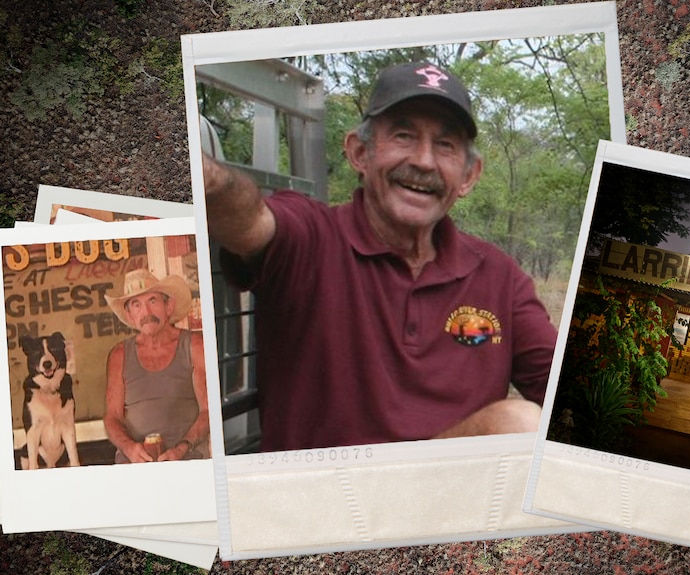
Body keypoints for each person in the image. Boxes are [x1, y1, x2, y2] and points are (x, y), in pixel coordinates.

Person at [202, 61, 557, 451]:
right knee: (519, 423)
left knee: (522, 424)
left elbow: (577, 398)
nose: (423, 161)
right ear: (359, 153)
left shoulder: (499, 277)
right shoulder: (310, 237)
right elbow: (248, 219)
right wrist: (210, 180)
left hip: (456, 505)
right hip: (318, 504)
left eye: (445, 145)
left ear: (469, 176)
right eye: (404, 136)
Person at [103, 269, 210, 463]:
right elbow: (112, 418)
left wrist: (182, 448)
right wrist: (130, 448)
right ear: (129, 315)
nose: (146, 313)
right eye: (136, 305)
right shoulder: (119, 355)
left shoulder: (195, 345)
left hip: (187, 456)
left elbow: (208, 410)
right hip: (135, 461)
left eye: (152, 301)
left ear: (168, 306)